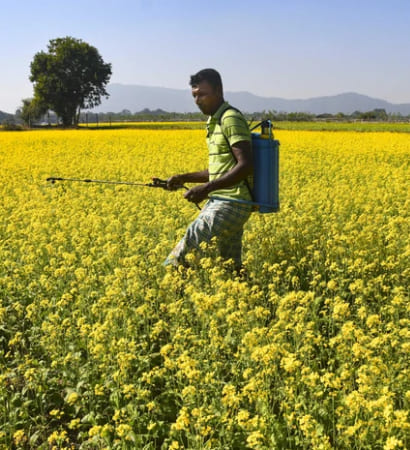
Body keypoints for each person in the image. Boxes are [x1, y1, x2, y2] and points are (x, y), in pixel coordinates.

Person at [163, 68, 253, 271]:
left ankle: (170, 291)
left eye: (203, 94)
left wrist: (205, 189)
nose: (198, 100)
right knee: (229, 266)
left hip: (232, 202)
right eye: (194, 95)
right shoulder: (214, 120)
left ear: (219, 90)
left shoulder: (230, 118)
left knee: (184, 251)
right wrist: (182, 178)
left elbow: (246, 164)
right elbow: (218, 171)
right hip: (222, 200)